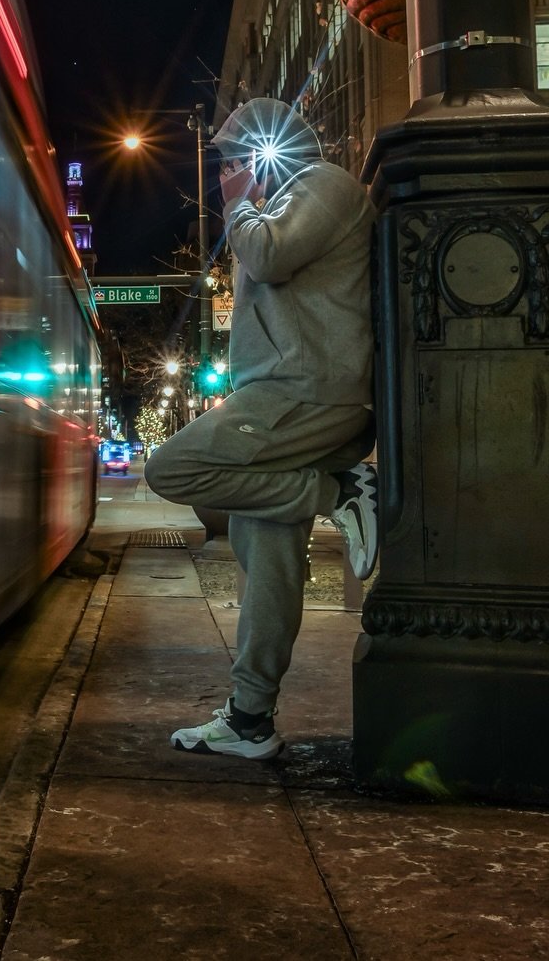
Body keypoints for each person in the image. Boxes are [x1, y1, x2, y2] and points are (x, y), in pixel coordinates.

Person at [142, 96, 379, 762]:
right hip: (284, 399)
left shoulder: (322, 187)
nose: (225, 174)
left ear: (266, 153)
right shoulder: (282, 203)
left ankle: (340, 491)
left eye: (231, 160)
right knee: (268, 561)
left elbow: (270, 255)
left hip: (303, 395)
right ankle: (251, 717)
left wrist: (241, 201)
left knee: (171, 468)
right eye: (222, 164)